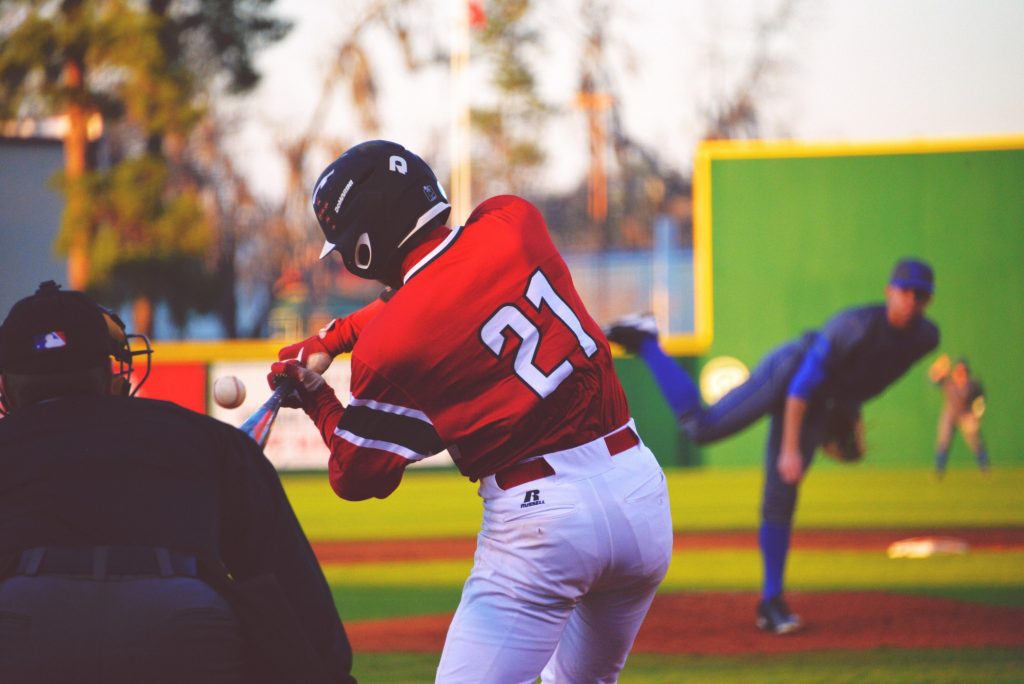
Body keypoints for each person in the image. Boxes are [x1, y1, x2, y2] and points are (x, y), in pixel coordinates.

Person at [270, 140, 673, 683]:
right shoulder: (513, 221)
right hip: (638, 491)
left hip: (540, 524)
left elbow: (356, 472)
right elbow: (443, 280)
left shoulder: (389, 347)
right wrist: (333, 337)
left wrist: (314, 396)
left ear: (367, 243)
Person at [0, 281, 355, 683]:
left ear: (6, 387)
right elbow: (297, 596)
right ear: (109, 373)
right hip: (184, 625)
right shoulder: (208, 439)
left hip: (21, 626)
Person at [606, 258, 939, 635]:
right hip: (792, 374)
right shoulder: (855, 326)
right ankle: (648, 340)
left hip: (823, 398)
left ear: (928, 300)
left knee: (782, 497)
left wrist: (849, 412)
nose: (912, 300)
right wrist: (790, 449)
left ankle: (771, 602)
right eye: (906, 291)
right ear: (889, 291)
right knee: (702, 427)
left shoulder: (925, 338)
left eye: (921, 294)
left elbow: (866, 376)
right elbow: (802, 386)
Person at [928, 353, 989, 477]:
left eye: (963, 369)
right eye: (958, 369)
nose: (961, 372)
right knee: (943, 441)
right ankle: (939, 470)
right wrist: (938, 366)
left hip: (966, 415)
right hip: (950, 415)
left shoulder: (973, 384)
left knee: (975, 442)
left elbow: (980, 400)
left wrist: (977, 415)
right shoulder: (948, 382)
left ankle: (985, 468)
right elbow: (932, 378)